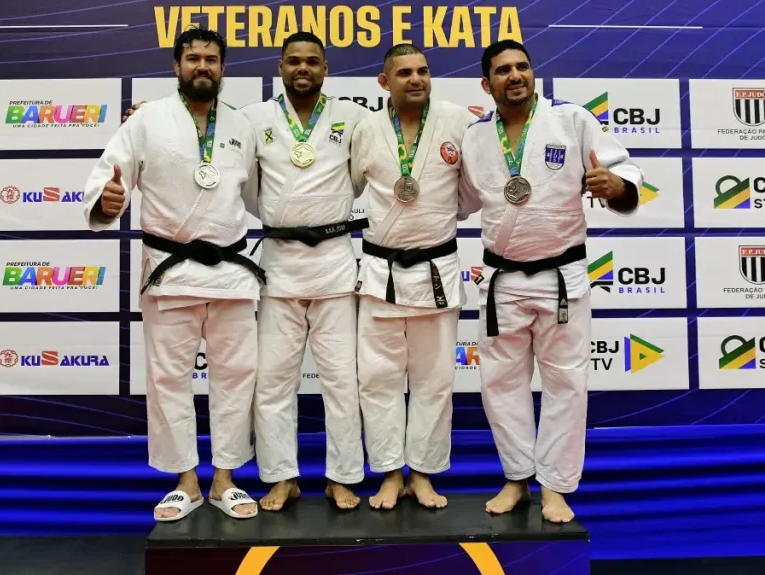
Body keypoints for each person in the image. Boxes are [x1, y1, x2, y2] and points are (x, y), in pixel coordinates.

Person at [457, 39, 643, 523]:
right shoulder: (476, 137)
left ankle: (556, 486)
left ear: (533, 74)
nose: (514, 75)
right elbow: (458, 202)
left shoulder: (573, 120)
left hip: (561, 276)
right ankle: (517, 477)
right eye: (502, 70)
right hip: (502, 278)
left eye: (522, 67)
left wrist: (615, 187)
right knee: (500, 382)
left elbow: (624, 176)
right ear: (487, 83)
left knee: (566, 383)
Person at [83, 27, 262, 522]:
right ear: (176, 66)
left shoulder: (241, 126)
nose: (202, 66)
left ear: (223, 68)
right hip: (169, 271)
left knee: (237, 377)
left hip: (230, 272)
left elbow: (254, 196)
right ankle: (186, 480)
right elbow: (108, 176)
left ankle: (225, 477)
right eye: (192, 58)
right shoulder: (147, 122)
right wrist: (108, 200)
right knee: (168, 380)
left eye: (211, 58)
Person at [238, 31, 370, 511]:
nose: (303, 69)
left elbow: (359, 179)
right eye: (294, 61)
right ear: (280, 67)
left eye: (312, 61)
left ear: (326, 68)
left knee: (341, 379)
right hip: (278, 263)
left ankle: (342, 476)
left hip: (334, 260)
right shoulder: (253, 119)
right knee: (273, 380)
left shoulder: (353, 118)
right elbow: (248, 189)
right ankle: (281, 477)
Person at [349, 43, 478, 510]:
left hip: (436, 269)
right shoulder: (365, 129)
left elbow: (472, 192)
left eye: (423, 71)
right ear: (385, 82)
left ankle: (421, 474)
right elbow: (343, 187)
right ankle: (387, 473)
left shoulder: (458, 122)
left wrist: (435, 216)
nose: (416, 79)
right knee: (378, 381)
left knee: (435, 379)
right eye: (403, 73)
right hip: (380, 272)